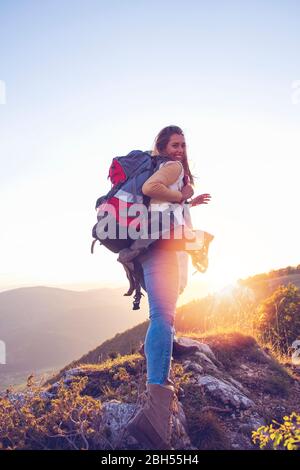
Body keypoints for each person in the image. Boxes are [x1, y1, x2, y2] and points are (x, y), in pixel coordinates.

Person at [126, 125, 211, 449]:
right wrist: (181, 194)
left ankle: (164, 345)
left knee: (165, 308)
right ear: (162, 146)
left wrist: (190, 201)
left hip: (149, 246)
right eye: (175, 144)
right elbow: (151, 188)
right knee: (162, 314)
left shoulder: (169, 170)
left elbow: (164, 205)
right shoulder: (169, 167)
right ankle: (154, 412)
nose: (180, 150)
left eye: (184, 144)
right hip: (162, 246)